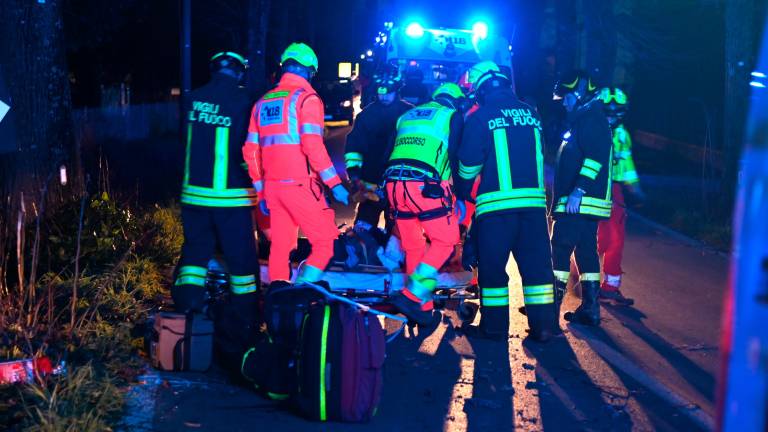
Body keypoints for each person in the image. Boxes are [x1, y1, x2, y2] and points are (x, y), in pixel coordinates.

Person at [454, 62, 555, 341]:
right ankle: (544, 327)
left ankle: (495, 328)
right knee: (537, 269)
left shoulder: (481, 117)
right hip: (534, 208)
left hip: (496, 209)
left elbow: (468, 167)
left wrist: (462, 191)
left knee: (493, 270)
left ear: (481, 90)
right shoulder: (532, 114)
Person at [243, 42, 349, 287]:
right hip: (300, 186)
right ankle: (300, 291)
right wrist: (335, 184)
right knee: (325, 244)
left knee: (281, 247)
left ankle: (278, 296)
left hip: (272, 188)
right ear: (309, 70)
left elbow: (250, 151)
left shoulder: (262, 103)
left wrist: (261, 192)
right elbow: (312, 146)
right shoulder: (306, 99)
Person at [173, 51, 259, 342]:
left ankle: (187, 308)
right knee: (241, 261)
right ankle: (245, 320)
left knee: (195, 253)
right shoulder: (243, 101)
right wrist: (259, 181)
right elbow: (246, 150)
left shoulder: (192, 99)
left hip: (193, 196)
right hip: (231, 197)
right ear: (239, 72)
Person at [383, 82, 465, 326]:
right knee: (446, 242)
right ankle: (410, 296)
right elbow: (455, 156)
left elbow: (388, 152)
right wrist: (460, 194)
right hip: (424, 187)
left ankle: (422, 308)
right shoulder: (451, 116)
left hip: (394, 186)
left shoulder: (407, 115)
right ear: (456, 101)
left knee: (413, 247)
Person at [551, 71, 614, 327]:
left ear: (579, 94)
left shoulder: (590, 120)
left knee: (560, 247)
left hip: (579, 202)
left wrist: (578, 190)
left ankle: (549, 309)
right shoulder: (586, 119)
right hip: (585, 203)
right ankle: (590, 309)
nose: (564, 103)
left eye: (566, 98)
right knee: (586, 252)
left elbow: (594, 159)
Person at [344, 78, 412, 233]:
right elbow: (354, 147)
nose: (384, 97)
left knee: (398, 233)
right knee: (362, 230)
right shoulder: (366, 115)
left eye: (389, 93)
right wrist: (354, 174)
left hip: (398, 182)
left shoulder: (409, 113)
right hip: (371, 182)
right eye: (381, 93)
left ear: (396, 92)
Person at [596, 87, 643, 305]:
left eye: (617, 111)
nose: (613, 115)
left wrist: (634, 187)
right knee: (596, 239)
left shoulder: (622, 134)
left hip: (614, 190)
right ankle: (583, 281)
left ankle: (610, 286)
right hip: (593, 189)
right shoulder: (590, 130)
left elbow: (627, 164)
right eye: (609, 110)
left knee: (615, 238)